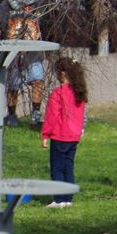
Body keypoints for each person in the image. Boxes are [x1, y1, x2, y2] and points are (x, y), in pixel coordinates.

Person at [0, 0, 45, 125]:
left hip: (33, 46)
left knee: (38, 79)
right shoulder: (8, 2)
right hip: (13, 47)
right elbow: (1, 20)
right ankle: (11, 115)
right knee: (13, 83)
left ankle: (36, 112)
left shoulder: (40, 1)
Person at [42, 55, 88, 207]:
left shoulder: (58, 92)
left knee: (57, 168)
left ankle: (59, 200)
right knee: (68, 167)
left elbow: (51, 116)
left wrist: (45, 134)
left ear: (62, 73)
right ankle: (68, 199)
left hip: (60, 136)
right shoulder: (79, 92)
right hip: (74, 137)